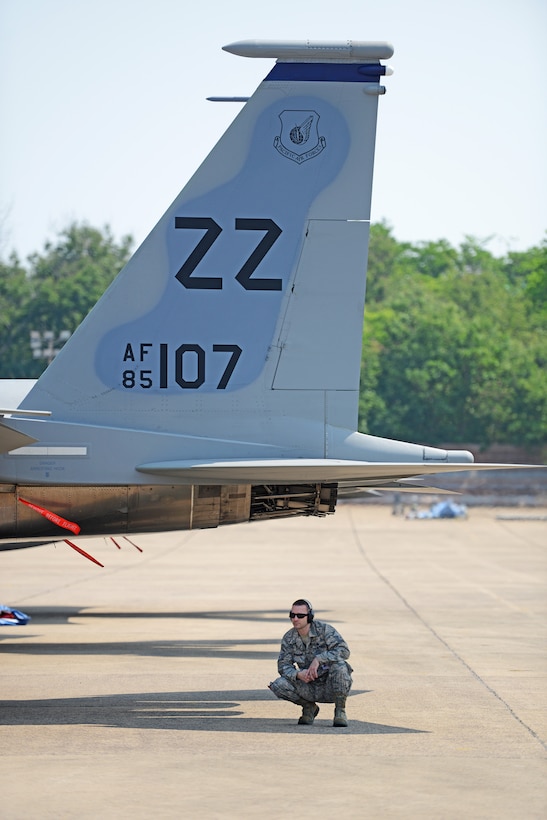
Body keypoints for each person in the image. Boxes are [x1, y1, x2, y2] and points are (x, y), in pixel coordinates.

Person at [268, 598, 353, 727]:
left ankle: (340, 710)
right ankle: (309, 708)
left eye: (300, 616)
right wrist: (298, 674)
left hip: (329, 685)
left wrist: (319, 659)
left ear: (310, 617)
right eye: (292, 615)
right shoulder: (289, 638)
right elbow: (283, 665)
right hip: (308, 686)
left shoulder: (324, 630)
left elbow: (344, 651)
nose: (295, 619)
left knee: (340, 667)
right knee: (278, 685)